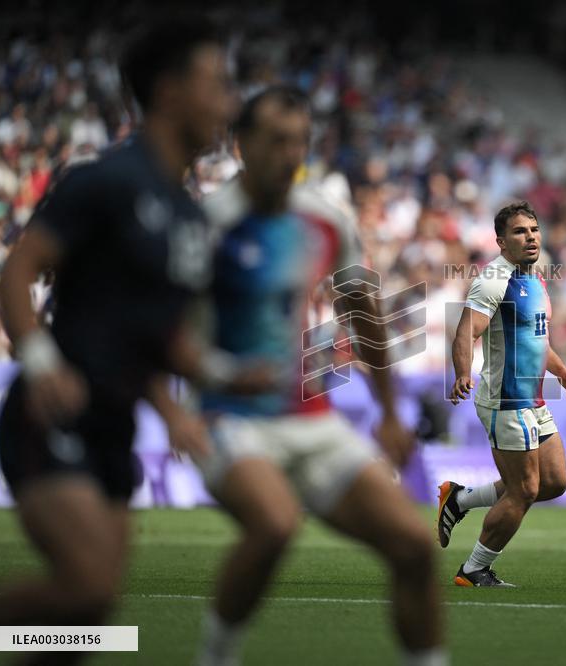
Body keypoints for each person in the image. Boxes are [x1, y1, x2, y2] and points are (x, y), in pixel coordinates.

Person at [0, 17, 253, 643]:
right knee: (87, 587)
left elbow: (154, 340)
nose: (229, 103)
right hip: (52, 415)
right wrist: (43, 366)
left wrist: (199, 393)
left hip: (114, 425)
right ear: (169, 91)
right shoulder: (103, 181)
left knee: (89, 617)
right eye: (217, 84)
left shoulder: (188, 217)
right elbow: (18, 273)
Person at [150, 86, 445, 666]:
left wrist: (390, 413)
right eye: (276, 141)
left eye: (299, 142)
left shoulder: (324, 219)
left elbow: (364, 315)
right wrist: (171, 409)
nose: (289, 155)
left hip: (311, 420)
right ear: (242, 144)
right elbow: (154, 329)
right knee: (275, 524)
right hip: (227, 418)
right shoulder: (206, 225)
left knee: (414, 546)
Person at [439, 201, 566, 587]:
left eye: (534, 229)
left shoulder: (535, 279)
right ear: (502, 242)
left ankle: (459, 499)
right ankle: (474, 569)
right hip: (505, 400)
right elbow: (466, 331)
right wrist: (462, 373)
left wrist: (562, 372)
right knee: (524, 489)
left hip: (533, 399)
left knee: (554, 481)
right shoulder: (494, 280)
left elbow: (537, 340)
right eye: (520, 231)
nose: (531, 237)